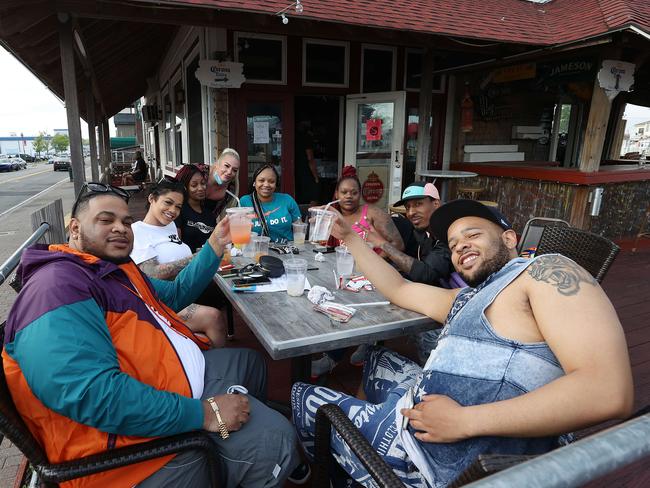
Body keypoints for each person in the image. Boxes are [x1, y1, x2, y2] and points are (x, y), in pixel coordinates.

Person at [292, 199, 634, 487]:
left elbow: (607, 391)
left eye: (472, 235)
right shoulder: (468, 296)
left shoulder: (544, 273)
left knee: (303, 395)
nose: (461, 247)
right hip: (425, 412)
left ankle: (358, 469)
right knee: (377, 359)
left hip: (436, 459)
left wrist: (464, 421)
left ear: (510, 238)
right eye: (454, 244)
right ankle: (370, 439)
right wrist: (350, 236)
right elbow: (400, 289)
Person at [3, 182, 302, 487]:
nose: (120, 228)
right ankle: (264, 458)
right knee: (277, 438)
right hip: (121, 454)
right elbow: (90, 395)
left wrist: (215, 244)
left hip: (161, 377)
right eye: (106, 220)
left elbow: (173, 295)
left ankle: (245, 457)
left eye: (125, 221)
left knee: (250, 362)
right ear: (75, 228)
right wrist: (203, 413)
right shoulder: (56, 287)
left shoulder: (112, 268)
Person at [311, 165, 405, 377]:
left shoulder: (371, 213)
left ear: (360, 195)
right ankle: (361, 343)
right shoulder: (333, 215)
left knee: (345, 304)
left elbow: (398, 245)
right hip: (345, 274)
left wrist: (373, 260)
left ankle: (336, 357)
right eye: (344, 192)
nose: (349, 196)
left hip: (374, 277)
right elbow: (324, 246)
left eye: (354, 192)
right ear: (336, 194)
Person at [367, 181, 456, 364]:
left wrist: (382, 243)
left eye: (418, 204)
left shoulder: (450, 232)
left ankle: (431, 370)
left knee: (424, 333)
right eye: (407, 207)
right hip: (437, 297)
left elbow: (427, 274)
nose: (411, 212)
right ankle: (370, 346)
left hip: (458, 313)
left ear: (436, 204)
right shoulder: (423, 232)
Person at [131, 179, 226, 348]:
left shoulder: (170, 226)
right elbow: (151, 273)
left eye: (178, 207)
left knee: (233, 292)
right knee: (214, 317)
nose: (173, 211)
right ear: (152, 198)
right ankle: (219, 367)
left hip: (188, 288)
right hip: (162, 302)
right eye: (168, 203)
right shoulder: (138, 231)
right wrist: (200, 256)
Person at [240, 164, 302, 242]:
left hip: (287, 251)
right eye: (261, 180)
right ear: (254, 183)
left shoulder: (287, 200)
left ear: (276, 184)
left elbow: (300, 229)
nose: (266, 185)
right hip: (259, 251)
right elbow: (238, 231)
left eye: (271, 181)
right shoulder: (245, 202)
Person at [175, 163, 217, 252]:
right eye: (194, 185)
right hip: (187, 262)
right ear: (185, 187)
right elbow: (176, 246)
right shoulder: (179, 211)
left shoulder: (209, 214)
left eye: (203, 183)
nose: (201, 188)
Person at [205, 147, 241, 221]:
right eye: (226, 166)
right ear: (217, 163)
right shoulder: (199, 172)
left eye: (234, 170)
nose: (229, 172)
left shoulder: (231, 189)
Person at [295, 120, 319, 205]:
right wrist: (316, 176)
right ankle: (311, 216)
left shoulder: (293, 136)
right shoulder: (306, 137)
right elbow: (310, 158)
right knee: (313, 194)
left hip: (295, 169)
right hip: (305, 170)